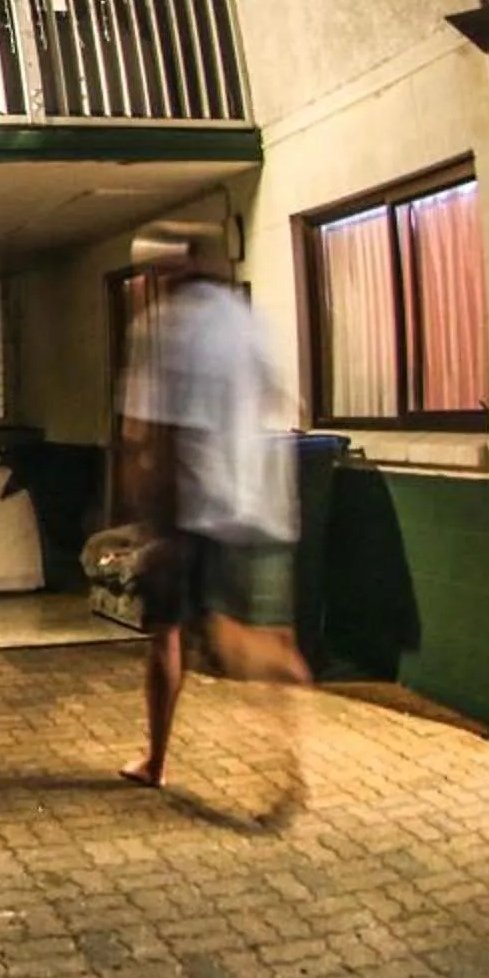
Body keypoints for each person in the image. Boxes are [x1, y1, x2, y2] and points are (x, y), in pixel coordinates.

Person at [115, 223, 313, 797]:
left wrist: (147, 510)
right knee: (259, 634)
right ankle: (291, 730)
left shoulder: (161, 326)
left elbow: (148, 430)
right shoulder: (246, 319)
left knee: (169, 634)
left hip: (190, 505)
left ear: (162, 273)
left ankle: (156, 759)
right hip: (259, 503)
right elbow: (279, 399)